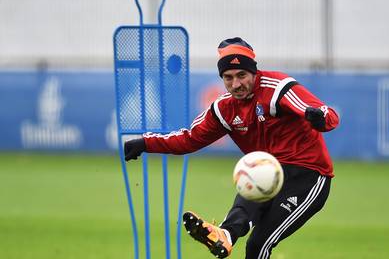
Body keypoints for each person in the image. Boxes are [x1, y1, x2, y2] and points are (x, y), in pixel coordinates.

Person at [124, 37, 339, 258]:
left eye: (241, 75)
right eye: (228, 77)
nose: (235, 84)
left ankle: (229, 233)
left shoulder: (278, 88)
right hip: (268, 172)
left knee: (258, 244)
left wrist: (318, 118)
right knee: (251, 180)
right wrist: (145, 142)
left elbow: (328, 114)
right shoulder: (223, 109)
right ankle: (225, 234)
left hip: (308, 175)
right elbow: (189, 139)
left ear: (253, 73)